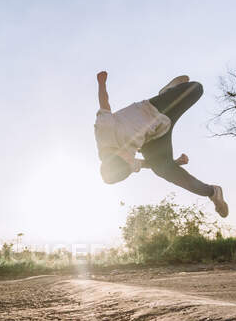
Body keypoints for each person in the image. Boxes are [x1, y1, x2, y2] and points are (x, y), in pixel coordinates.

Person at [94, 70, 228, 217]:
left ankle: (167, 92)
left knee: (196, 89)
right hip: (153, 137)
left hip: (152, 110)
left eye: (127, 158)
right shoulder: (124, 165)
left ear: (114, 156)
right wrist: (173, 162)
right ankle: (213, 192)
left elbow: (104, 104)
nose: (131, 159)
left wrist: (101, 82)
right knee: (162, 169)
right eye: (130, 162)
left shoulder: (104, 131)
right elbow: (144, 164)